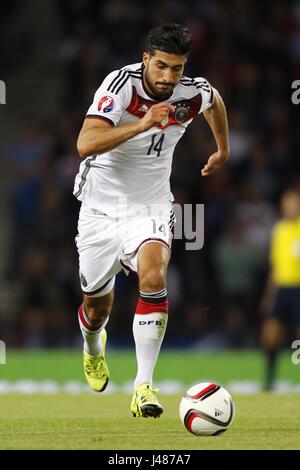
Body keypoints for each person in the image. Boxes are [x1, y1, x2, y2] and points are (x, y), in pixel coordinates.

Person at [74, 23, 230, 418]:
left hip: (152, 207)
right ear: (146, 60)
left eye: (176, 69)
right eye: (161, 66)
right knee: (96, 306)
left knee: (155, 275)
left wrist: (222, 149)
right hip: (100, 209)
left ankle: (143, 385)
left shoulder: (191, 92)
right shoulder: (120, 85)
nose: (167, 77)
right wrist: (141, 124)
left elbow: (214, 101)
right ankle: (94, 347)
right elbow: (85, 143)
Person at [261, 189, 300, 390]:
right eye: (287, 203)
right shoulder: (279, 230)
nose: (290, 207)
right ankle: (269, 380)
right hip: (282, 289)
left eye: (294, 203)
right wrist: (269, 295)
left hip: (298, 288)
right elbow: (274, 266)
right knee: (270, 335)